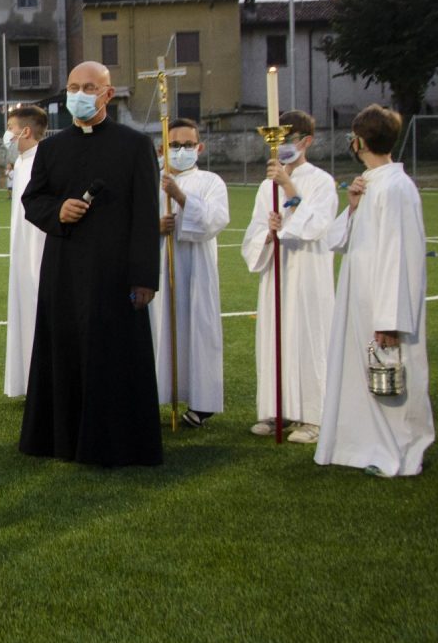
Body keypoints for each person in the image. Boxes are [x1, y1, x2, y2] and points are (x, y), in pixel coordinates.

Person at [19, 60, 162, 467]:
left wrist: (143, 278)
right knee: (62, 349)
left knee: (112, 353)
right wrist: (58, 211)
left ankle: (115, 442)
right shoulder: (52, 148)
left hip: (115, 272)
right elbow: (34, 201)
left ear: (107, 94)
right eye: (73, 87)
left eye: (88, 87)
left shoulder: (134, 146)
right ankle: (60, 439)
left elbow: (145, 215)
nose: (79, 95)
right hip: (64, 267)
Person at [316, 106, 434, 477]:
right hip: (360, 295)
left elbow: (400, 255)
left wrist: (391, 318)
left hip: (384, 300)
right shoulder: (370, 183)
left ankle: (402, 452)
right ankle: (363, 444)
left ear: (360, 141)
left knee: (394, 375)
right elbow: (337, 241)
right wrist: (351, 207)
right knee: (362, 374)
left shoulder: (397, 187)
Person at [241, 110, 336, 443]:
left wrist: (288, 187)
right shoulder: (266, 185)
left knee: (307, 337)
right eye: (278, 140)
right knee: (274, 336)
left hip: (308, 273)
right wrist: (266, 235)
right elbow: (253, 230)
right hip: (276, 272)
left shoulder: (322, 181)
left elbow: (316, 226)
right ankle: (275, 410)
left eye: (289, 140)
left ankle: (312, 416)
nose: (282, 147)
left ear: (306, 141)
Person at [149, 118, 229, 427]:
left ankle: (201, 402)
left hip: (196, 267)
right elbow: (134, 221)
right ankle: (159, 393)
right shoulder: (151, 180)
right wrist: (154, 227)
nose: (181, 150)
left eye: (187, 145)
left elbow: (214, 221)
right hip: (159, 265)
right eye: (175, 146)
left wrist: (181, 196)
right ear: (162, 149)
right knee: (160, 328)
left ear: (199, 147)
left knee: (198, 328)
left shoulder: (210, 182)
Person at [3, 103, 49, 399]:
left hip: (39, 251)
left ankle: (43, 380)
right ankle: (29, 381)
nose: (7, 135)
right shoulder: (21, 162)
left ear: (26, 131)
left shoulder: (42, 162)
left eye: (10, 129)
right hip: (21, 251)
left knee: (37, 310)